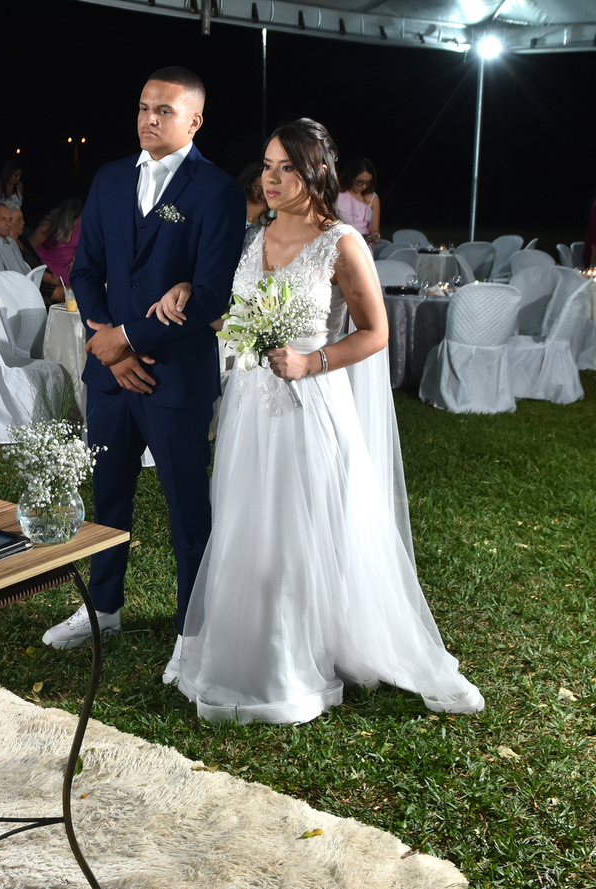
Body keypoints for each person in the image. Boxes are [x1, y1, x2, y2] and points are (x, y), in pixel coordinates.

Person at [151, 119, 484, 724]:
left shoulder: (342, 243)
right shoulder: (254, 236)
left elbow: (376, 333)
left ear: (317, 174)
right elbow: (230, 308)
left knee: (301, 529)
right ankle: (249, 640)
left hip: (310, 407)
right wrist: (183, 290)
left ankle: (297, 653)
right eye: (267, 167)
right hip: (250, 408)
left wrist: (312, 361)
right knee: (248, 525)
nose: (271, 180)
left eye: (287, 169)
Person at [41, 67, 245, 686]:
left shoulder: (217, 190)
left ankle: (193, 629)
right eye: (142, 108)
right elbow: (85, 272)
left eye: (163, 110)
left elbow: (209, 295)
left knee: (188, 511)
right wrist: (109, 348)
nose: (148, 118)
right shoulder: (107, 179)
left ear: (195, 120)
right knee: (109, 499)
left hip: (176, 379)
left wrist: (128, 340)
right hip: (110, 377)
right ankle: (103, 608)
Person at [31, 198, 83, 303]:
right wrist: (44, 274)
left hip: (68, 269)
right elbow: (28, 249)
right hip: (49, 268)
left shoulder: (80, 224)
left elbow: (81, 244)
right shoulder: (48, 227)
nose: (76, 224)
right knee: (70, 294)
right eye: (73, 222)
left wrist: (74, 260)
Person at [338, 157, 381, 246]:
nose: (364, 186)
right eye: (360, 182)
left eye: (368, 182)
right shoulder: (338, 196)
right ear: (351, 177)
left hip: (364, 245)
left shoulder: (373, 199)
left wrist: (375, 236)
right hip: (342, 244)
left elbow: (374, 230)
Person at [238, 160, 267, 225]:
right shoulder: (237, 203)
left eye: (267, 189)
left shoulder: (275, 209)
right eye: (258, 188)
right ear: (249, 184)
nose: (262, 193)